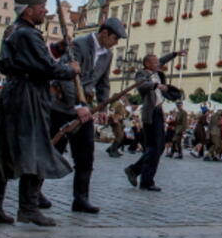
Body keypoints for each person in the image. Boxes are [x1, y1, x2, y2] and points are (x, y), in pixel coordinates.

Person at [0, 0, 82, 226]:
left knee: (5, 149)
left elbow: (33, 58)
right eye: (40, 8)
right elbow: (45, 67)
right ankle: (28, 207)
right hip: (29, 94)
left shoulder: (12, 30)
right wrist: (70, 70)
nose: (44, 11)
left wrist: (57, 49)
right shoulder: (28, 34)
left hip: (13, 92)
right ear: (27, 10)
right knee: (35, 147)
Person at [49, 17, 126, 213]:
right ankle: (33, 194)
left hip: (85, 111)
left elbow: (103, 82)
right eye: (115, 38)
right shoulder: (79, 45)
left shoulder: (107, 54)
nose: (116, 43)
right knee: (51, 152)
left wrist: (103, 106)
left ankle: (81, 199)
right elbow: (67, 76)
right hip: (61, 107)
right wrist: (77, 104)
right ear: (104, 33)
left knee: (86, 155)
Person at [123, 50, 183, 192]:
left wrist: (175, 54)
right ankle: (146, 180)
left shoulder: (155, 71)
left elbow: (163, 59)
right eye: (155, 63)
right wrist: (156, 86)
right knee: (154, 147)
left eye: (158, 62)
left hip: (158, 111)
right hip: (150, 113)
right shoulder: (142, 73)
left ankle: (135, 170)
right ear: (147, 64)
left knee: (158, 147)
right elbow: (141, 85)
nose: (158, 64)